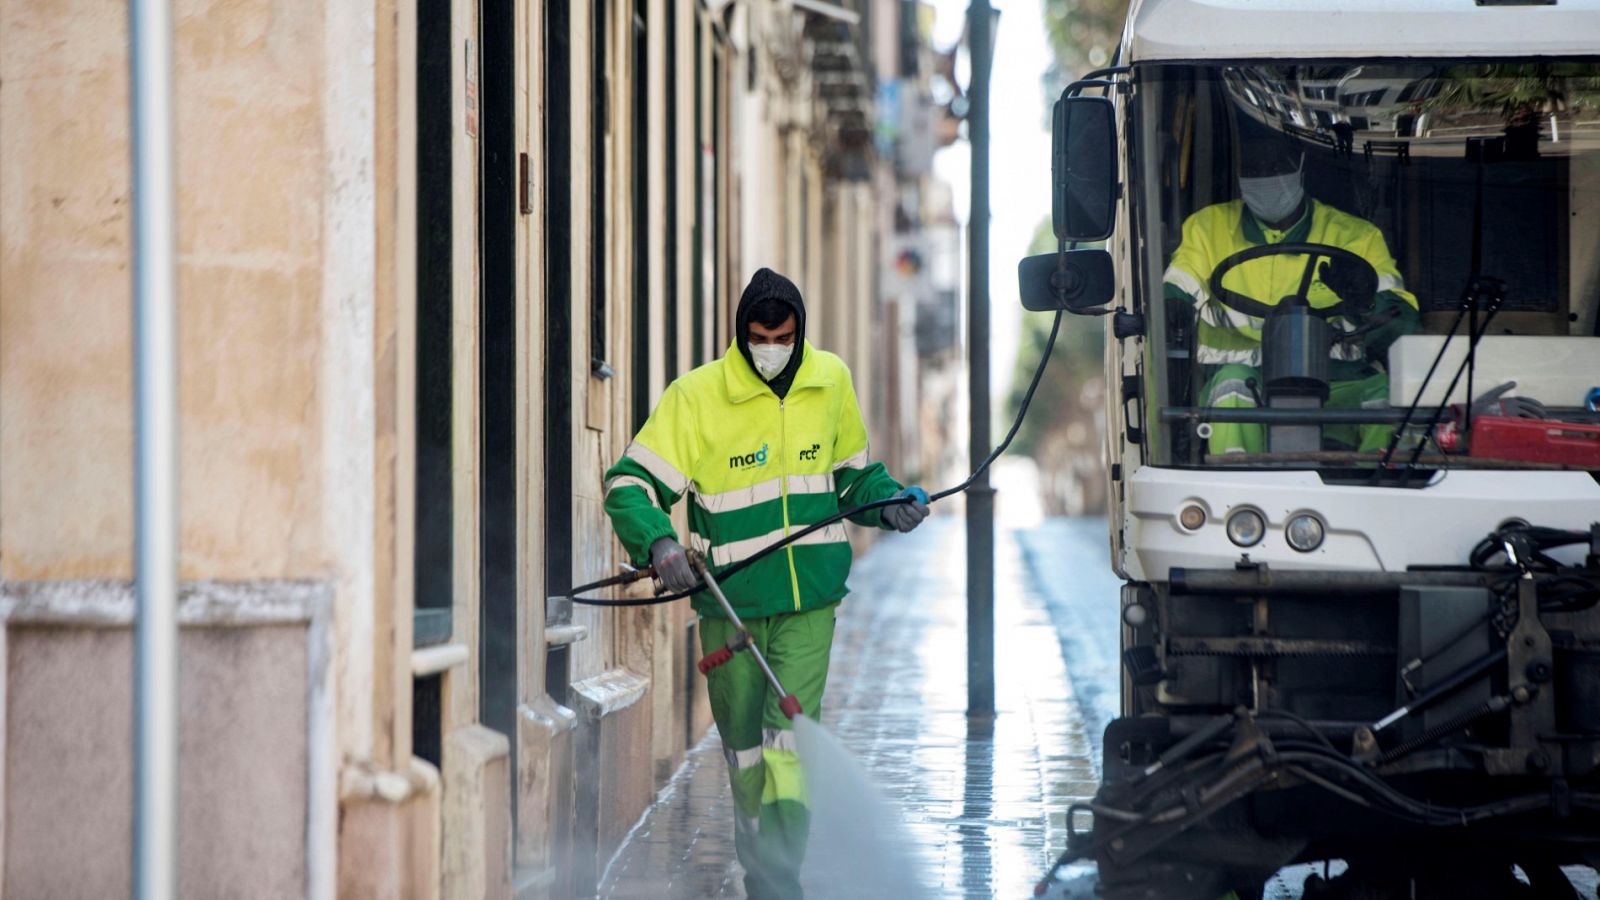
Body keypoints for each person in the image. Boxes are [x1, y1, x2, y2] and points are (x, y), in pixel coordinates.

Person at [601, 268, 928, 899]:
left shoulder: (830, 382)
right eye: (759, 337)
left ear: (800, 334)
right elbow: (628, 484)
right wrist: (659, 540)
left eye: (782, 337)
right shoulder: (697, 398)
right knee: (746, 756)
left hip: (810, 605)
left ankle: (781, 885)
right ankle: (764, 877)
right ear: (741, 335)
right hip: (731, 609)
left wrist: (889, 503)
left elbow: (853, 482)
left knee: (791, 751)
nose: (771, 349)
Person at [1162, 135, 1420, 455]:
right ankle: (1238, 493)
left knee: (1386, 394)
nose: (1266, 177)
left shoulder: (1357, 237)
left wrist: (1364, 299)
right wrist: (1173, 305)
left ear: (1301, 167)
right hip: (1250, 384)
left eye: (1276, 167)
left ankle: (1377, 492)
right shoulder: (1207, 228)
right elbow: (1179, 285)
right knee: (1232, 387)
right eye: (1253, 170)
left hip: (1339, 384)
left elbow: (1403, 329)